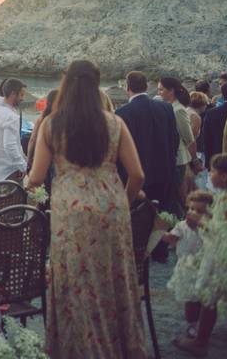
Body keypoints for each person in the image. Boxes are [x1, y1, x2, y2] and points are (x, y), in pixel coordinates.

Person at [28, 60, 147, 358]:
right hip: (112, 208)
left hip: (71, 212)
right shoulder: (115, 123)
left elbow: (37, 177)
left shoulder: (52, 125)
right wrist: (124, 204)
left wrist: (30, 184)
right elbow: (137, 175)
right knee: (114, 278)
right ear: (96, 85)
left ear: (66, 84)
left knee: (75, 280)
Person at [173, 150, 227, 355]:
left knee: (208, 298)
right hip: (226, 256)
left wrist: (201, 222)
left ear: (224, 176)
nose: (209, 174)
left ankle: (200, 342)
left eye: (212, 170)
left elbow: (226, 231)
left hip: (222, 258)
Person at [116, 70, 178, 210]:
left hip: (138, 181)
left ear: (128, 87)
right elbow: (174, 139)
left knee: (139, 224)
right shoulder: (166, 107)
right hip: (165, 175)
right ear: (147, 86)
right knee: (163, 221)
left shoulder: (122, 113)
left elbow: (121, 154)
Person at [165, 189, 214, 342]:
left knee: (205, 299)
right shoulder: (182, 226)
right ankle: (192, 324)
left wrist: (201, 225)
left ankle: (203, 324)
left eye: (200, 211)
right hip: (187, 268)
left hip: (205, 268)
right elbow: (171, 238)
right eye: (191, 209)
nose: (193, 213)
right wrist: (159, 232)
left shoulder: (210, 227)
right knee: (191, 300)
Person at [159, 77, 195, 211]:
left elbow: (189, 137)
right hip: (173, 158)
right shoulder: (170, 107)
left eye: (161, 89)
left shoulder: (178, 109)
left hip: (179, 159)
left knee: (177, 195)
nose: (159, 92)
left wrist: (194, 160)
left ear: (171, 91)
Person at [0, 78, 27, 183]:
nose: (23, 98)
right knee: (14, 199)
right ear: (13, 94)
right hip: (9, 172)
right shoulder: (10, 116)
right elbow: (10, 145)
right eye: (21, 95)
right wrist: (23, 166)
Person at [200, 81, 227, 167]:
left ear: (222, 95)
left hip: (217, 159)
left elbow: (207, 138)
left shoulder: (212, 113)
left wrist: (208, 162)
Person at [25, 89, 59, 190]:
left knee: (43, 191)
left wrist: (29, 160)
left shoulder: (42, 119)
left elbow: (33, 140)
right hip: (57, 163)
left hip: (42, 160)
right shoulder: (64, 120)